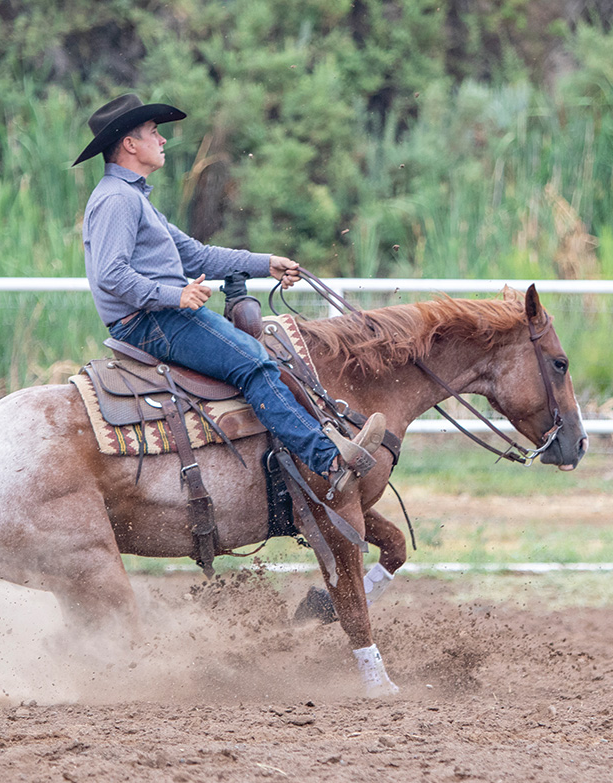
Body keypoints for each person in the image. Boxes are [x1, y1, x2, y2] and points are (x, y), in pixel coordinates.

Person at [75, 93, 385, 494]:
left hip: (158, 316)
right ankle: (328, 461)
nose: (163, 140)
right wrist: (176, 297)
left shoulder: (134, 197)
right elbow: (111, 275)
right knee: (254, 363)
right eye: (154, 133)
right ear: (130, 145)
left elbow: (196, 254)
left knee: (259, 357)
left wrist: (264, 263)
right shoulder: (118, 199)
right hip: (153, 320)